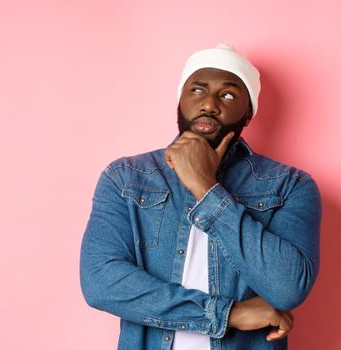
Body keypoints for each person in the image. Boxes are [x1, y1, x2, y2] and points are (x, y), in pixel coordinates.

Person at [79, 44, 321, 349]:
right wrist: (227, 314)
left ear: (248, 113)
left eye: (228, 95)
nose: (209, 104)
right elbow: (101, 282)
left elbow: (287, 288)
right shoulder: (127, 178)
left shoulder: (289, 186)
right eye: (197, 90)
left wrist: (206, 189)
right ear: (180, 100)